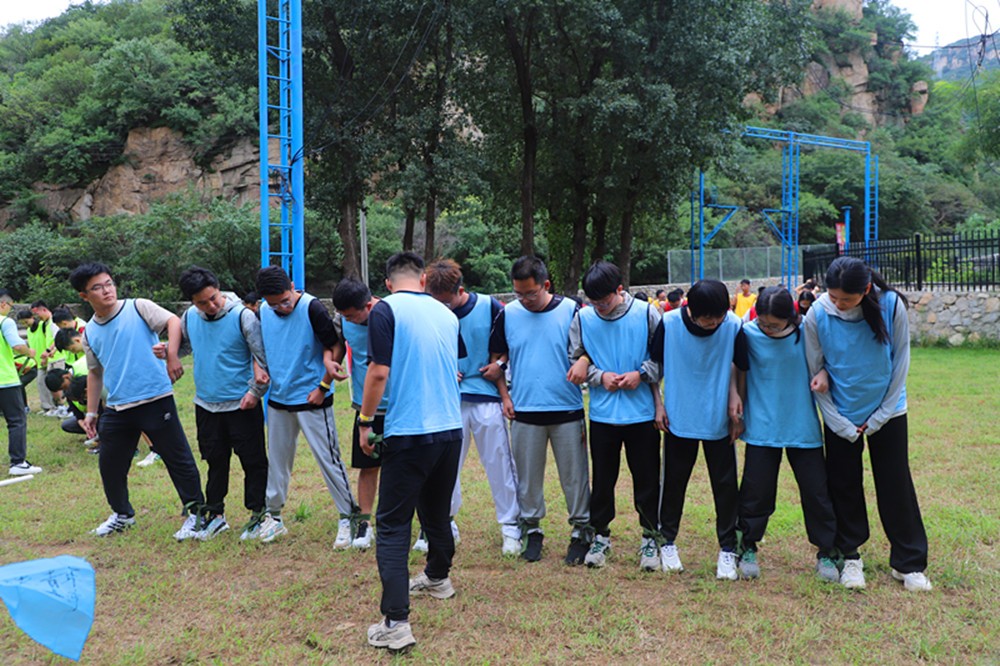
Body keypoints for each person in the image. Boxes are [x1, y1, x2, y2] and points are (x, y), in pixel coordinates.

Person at [804, 256, 932, 592]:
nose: (838, 304)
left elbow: (900, 362)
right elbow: (814, 372)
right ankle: (850, 557)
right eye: (834, 297)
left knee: (895, 483)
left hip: (889, 412)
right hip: (841, 415)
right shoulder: (817, 314)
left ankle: (909, 563)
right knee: (843, 484)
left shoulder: (891, 305)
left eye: (846, 299)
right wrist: (838, 422)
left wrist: (881, 415)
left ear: (865, 290)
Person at [358, 252, 464, 653]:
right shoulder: (446, 313)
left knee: (392, 524)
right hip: (449, 430)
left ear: (388, 283)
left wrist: (365, 421)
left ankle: (396, 622)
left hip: (409, 432)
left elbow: (379, 371)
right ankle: (438, 577)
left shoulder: (385, 310)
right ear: (423, 279)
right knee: (436, 511)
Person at [68, 262, 205, 538]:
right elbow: (95, 373)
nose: (107, 290)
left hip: (155, 398)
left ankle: (197, 514)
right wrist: (91, 413)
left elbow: (173, 321)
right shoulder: (90, 332)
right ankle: (122, 515)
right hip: (118, 406)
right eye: (97, 287)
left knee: (177, 458)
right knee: (110, 464)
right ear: (84, 296)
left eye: (109, 283)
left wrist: (172, 354)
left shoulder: (137, 307)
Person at [486, 256, 592, 565]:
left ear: (545, 285)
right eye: (518, 293)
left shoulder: (571, 310)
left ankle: (581, 530)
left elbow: (590, 347)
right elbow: (497, 357)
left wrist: (584, 360)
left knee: (575, 477)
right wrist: (505, 396)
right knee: (527, 479)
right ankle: (531, 529)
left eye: (530, 293)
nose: (524, 299)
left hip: (567, 409)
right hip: (524, 410)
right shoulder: (508, 314)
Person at [733, 287, 839, 582]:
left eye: (774, 325)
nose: (767, 329)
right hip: (761, 426)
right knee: (756, 492)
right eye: (763, 322)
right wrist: (737, 409)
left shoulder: (807, 332)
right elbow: (739, 371)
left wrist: (824, 374)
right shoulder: (747, 333)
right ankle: (747, 546)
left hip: (802, 425)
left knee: (817, 493)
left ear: (790, 318)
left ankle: (827, 552)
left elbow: (828, 363)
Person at [567, 261, 663, 571]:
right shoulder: (583, 318)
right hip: (603, 415)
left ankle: (650, 537)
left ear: (619, 290)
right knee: (603, 480)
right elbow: (575, 358)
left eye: (604, 300)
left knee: (647, 479)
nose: (599, 307)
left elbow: (663, 356)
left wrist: (640, 374)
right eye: (593, 301)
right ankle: (601, 536)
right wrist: (600, 376)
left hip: (642, 414)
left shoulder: (646, 313)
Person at [254, 266, 360, 545]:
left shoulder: (312, 308)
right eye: (274, 304)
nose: (282, 307)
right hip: (279, 398)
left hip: (313, 397)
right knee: (277, 461)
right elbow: (259, 348)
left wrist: (323, 386)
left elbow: (335, 346)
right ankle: (273, 516)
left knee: (329, 459)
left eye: (285, 300)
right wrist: (259, 369)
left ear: (292, 286)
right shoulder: (263, 311)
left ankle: (348, 517)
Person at [424, 258, 522, 557]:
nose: (441, 307)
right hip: (446, 401)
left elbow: (509, 345)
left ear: (460, 290)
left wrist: (499, 365)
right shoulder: (428, 311)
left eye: (446, 301)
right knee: (444, 467)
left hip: (485, 397)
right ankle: (443, 523)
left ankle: (511, 526)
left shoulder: (490, 307)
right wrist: (441, 369)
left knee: (499, 463)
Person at [653, 279, 746, 579]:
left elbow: (740, 364)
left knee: (725, 486)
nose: (714, 324)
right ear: (691, 310)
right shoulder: (669, 324)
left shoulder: (732, 325)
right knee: (674, 483)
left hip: (718, 417)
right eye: (708, 319)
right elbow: (654, 367)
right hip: (679, 417)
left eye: (719, 317)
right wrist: (658, 404)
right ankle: (667, 542)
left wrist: (736, 398)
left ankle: (728, 549)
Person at [179, 267, 270, 541]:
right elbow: (185, 346)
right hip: (206, 404)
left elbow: (263, 358)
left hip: (242, 404)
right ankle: (215, 515)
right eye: (202, 302)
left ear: (219, 289)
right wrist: (167, 352)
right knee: (215, 462)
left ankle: (259, 513)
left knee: (253, 461)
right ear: (192, 302)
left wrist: (255, 392)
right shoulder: (189, 317)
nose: (211, 305)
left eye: (213, 298)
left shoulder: (243, 316)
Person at [331, 277, 387, 550]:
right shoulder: (344, 320)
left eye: (352, 316)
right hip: (364, 405)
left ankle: (424, 523)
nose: (349, 321)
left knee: (409, 466)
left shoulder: (389, 315)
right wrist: (331, 361)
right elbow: (339, 344)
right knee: (367, 465)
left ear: (368, 305)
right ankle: (365, 522)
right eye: (344, 316)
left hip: (400, 404)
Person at [0, 290, 42, 476]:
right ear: (3, 304)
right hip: (5, 380)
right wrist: (29, 352)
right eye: (10, 306)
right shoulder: (5, 322)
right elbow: (17, 345)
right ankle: (18, 462)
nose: (9, 310)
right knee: (16, 420)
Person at [27, 300, 62, 416]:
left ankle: (60, 407)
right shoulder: (45, 324)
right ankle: (51, 407)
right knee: (48, 384)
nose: (37, 317)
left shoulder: (53, 322)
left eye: (37, 313)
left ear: (44, 309)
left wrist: (49, 351)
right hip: (51, 359)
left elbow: (58, 338)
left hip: (58, 358)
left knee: (57, 385)